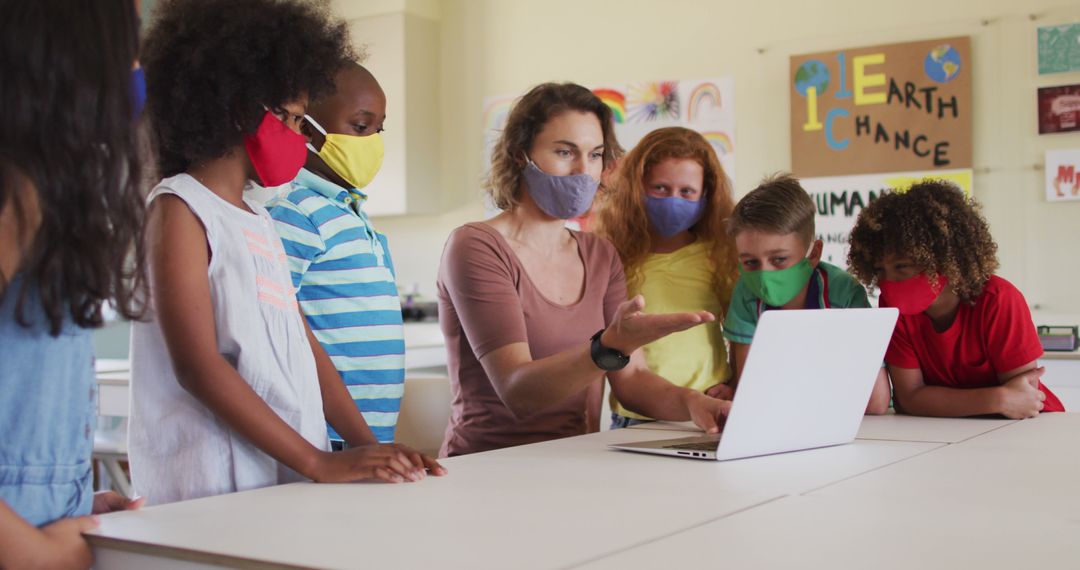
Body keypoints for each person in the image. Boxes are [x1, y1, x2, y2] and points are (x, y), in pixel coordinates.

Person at [129, 0, 443, 506]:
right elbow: (198, 366)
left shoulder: (258, 218)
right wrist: (318, 460)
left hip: (279, 479)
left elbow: (303, 344)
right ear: (237, 106)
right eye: (294, 120)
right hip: (207, 491)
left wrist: (370, 446)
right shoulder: (180, 208)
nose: (300, 137)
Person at [437, 82, 731, 457]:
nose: (583, 170)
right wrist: (610, 347)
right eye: (564, 152)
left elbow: (633, 380)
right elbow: (518, 392)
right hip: (489, 467)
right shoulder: (476, 246)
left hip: (578, 461)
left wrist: (694, 404)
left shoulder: (599, 253)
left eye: (594, 155)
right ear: (518, 154)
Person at [0, 1, 145, 567]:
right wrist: (33, 552)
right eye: (129, 44)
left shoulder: (40, 197)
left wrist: (69, 503)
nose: (137, 69)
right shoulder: (11, 199)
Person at [268, 61, 404, 446]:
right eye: (360, 127)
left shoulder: (354, 215)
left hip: (370, 433)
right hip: (324, 434)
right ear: (308, 129)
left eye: (378, 129)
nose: (373, 141)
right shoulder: (295, 212)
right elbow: (277, 328)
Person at [847, 180, 1065, 417]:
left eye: (903, 266)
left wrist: (1002, 401)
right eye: (879, 270)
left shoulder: (999, 300)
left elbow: (1023, 399)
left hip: (1030, 426)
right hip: (949, 432)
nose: (889, 281)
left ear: (944, 259)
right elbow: (910, 398)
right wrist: (998, 398)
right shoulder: (894, 309)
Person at [594, 127, 739, 428]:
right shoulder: (614, 256)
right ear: (637, 188)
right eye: (660, 188)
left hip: (711, 407)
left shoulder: (719, 255)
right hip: (637, 416)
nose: (673, 200)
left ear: (706, 196)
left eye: (687, 192)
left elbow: (743, 328)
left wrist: (737, 380)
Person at [723, 174, 891, 414]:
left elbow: (875, 403)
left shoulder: (844, 293)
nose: (764, 274)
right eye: (750, 262)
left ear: (814, 254)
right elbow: (751, 393)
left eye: (779, 259)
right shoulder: (746, 294)